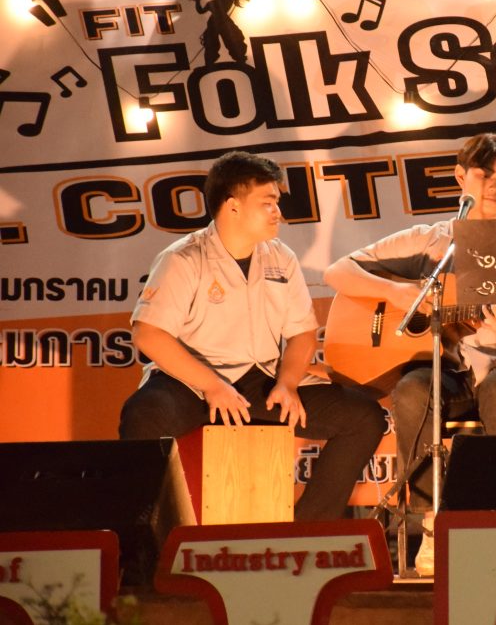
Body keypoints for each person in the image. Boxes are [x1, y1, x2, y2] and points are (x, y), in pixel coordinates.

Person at [324, 133, 496, 575]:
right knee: (413, 390)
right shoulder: (429, 242)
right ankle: (430, 522)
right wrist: (398, 292)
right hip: (448, 373)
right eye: (485, 175)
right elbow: (338, 272)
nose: (495, 187)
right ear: (460, 177)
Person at [119, 151, 386, 521]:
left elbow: (302, 333)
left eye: (277, 202)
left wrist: (288, 383)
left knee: (364, 417)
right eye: (268, 202)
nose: (278, 212)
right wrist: (212, 385)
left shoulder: (281, 257)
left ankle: (308, 530)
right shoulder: (184, 258)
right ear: (233, 207)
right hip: (191, 383)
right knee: (144, 414)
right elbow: (148, 334)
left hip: (259, 380)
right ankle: (142, 542)